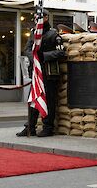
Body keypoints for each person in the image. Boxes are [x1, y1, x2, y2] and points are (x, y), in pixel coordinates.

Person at [17, 8, 65, 137]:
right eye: (34, 18)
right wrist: (35, 59)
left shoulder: (54, 34)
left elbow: (61, 52)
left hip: (49, 72)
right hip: (36, 72)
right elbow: (27, 49)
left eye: (38, 17)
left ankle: (48, 127)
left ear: (45, 18)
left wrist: (43, 56)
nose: (35, 20)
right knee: (33, 100)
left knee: (49, 100)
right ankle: (30, 127)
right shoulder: (34, 33)